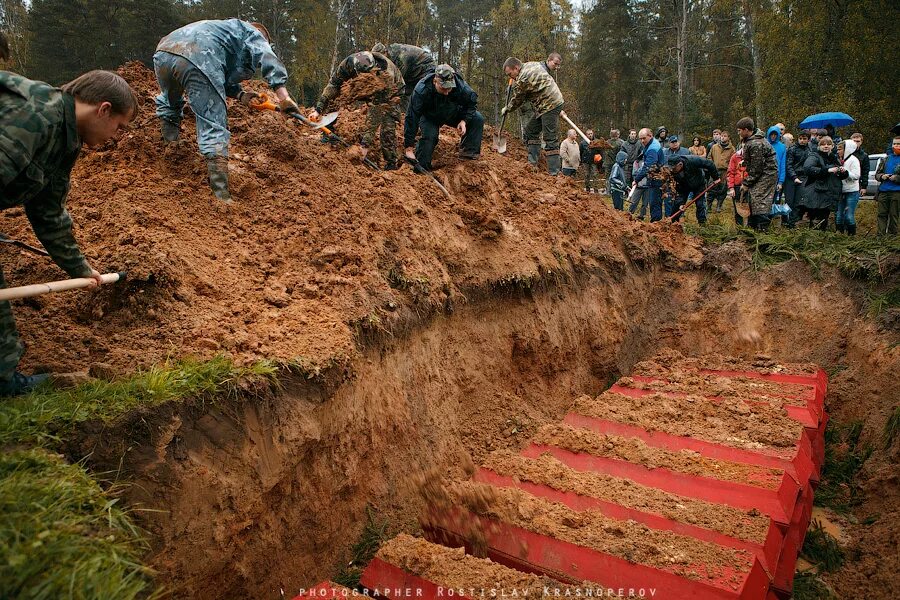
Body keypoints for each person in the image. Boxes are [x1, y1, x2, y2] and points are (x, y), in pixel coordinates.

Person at [1, 70, 137, 396]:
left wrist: (78, 268)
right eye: (119, 125)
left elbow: (47, 210)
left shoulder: (65, 138)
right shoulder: (37, 118)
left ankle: (4, 380)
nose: (117, 136)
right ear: (103, 109)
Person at [154, 19, 300, 202]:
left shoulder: (224, 32)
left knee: (170, 103)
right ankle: (221, 196)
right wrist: (283, 97)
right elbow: (266, 56)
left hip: (164, 53)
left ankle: (171, 154)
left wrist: (241, 95)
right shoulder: (251, 32)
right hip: (198, 54)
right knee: (213, 122)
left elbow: (218, 76)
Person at [311, 50, 404, 170]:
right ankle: (329, 135)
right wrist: (318, 109)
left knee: (387, 123)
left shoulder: (386, 74)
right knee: (336, 97)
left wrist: (364, 145)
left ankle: (391, 163)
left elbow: (376, 111)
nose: (367, 77)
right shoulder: (347, 65)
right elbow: (333, 85)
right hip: (360, 85)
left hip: (392, 92)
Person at [403, 64, 482, 172]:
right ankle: (421, 169)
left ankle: (468, 156)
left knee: (477, 118)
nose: (446, 92)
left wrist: (464, 121)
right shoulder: (421, 90)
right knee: (429, 137)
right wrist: (408, 148)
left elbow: (472, 103)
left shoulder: (460, 86)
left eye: (449, 88)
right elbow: (412, 117)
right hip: (430, 117)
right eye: (443, 88)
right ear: (435, 81)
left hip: (452, 112)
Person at [500, 57, 565, 175]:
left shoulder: (523, 77)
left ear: (516, 68)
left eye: (510, 74)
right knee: (530, 131)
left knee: (550, 138)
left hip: (550, 105)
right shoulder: (531, 64)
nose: (511, 77)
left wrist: (507, 109)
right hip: (544, 105)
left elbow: (518, 99)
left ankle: (554, 173)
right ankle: (532, 165)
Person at [737, 117, 778, 231]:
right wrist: (745, 161)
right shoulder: (753, 140)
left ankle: (762, 231)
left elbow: (757, 168)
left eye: (739, 130)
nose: (738, 133)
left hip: (766, 175)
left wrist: (746, 183)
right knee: (753, 200)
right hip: (762, 173)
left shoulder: (756, 143)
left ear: (746, 130)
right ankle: (752, 228)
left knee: (760, 202)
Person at [800, 135, 847, 230]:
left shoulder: (834, 157)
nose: (826, 146)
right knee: (815, 217)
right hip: (817, 191)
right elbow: (808, 168)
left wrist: (843, 172)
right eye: (823, 144)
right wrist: (827, 170)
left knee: (825, 218)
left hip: (830, 192)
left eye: (828, 144)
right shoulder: (814, 155)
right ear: (819, 146)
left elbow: (840, 174)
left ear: (832, 146)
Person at [371, 42, 436, 108]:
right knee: (406, 96)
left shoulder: (401, 57)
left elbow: (398, 82)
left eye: (380, 58)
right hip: (412, 72)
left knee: (420, 93)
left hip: (426, 68)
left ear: (385, 52)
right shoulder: (390, 55)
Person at [667, 154, 719, 224]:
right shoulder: (672, 172)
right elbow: (678, 188)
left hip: (699, 184)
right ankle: (674, 224)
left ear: (680, 164)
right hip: (683, 187)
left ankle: (702, 224)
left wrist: (716, 178)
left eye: (674, 168)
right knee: (677, 204)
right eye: (671, 168)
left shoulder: (693, 160)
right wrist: (681, 203)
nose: (672, 170)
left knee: (700, 204)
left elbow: (709, 163)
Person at [631, 127, 666, 222]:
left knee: (654, 202)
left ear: (650, 136)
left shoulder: (652, 149)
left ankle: (656, 223)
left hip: (657, 178)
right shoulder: (651, 143)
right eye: (640, 138)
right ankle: (656, 221)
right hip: (654, 176)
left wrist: (636, 179)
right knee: (654, 202)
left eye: (644, 138)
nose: (642, 141)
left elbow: (647, 166)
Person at [784, 130, 812, 228]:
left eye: (804, 139)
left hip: (804, 178)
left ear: (808, 139)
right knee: (789, 202)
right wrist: (794, 176)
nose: (802, 141)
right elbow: (789, 164)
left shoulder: (811, 150)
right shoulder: (792, 149)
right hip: (791, 178)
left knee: (799, 202)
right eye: (800, 138)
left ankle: (793, 223)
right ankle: (787, 223)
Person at [874, 135, 900, 235]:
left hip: (896, 192)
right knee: (881, 214)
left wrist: (896, 178)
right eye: (894, 144)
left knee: (894, 215)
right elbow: (877, 174)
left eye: (898, 144)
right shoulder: (886, 159)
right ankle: (880, 236)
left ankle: (891, 236)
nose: (896, 146)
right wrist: (882, 176)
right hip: (883, 191)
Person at [835, 140, 861, 234]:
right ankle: (839, 235)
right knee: (838, 216)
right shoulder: (838, 160)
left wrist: (846, 173)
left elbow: (857, 175)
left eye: (840, 149)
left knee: (849, 216)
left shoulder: (853, 160)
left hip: (852, 191)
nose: (838, 151)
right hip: (841, 191)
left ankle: (851, 236)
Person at [708, 130, 735, 213]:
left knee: (723, 189)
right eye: (722, 136)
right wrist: (711, 166)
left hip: (725, 172)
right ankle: (708, 205)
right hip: (714, 171)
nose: (723, 137)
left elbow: (733, 161)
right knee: (711, 188)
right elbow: (709, 157)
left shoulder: (732, 149)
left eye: (725, 136)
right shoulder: (714, 147)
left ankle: (719, 205)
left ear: (728, 138)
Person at [727, 147, 748, 226]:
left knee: (749, 209)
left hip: (749, 186)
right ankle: (739, 229)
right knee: (737, 209)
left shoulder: (753, 156)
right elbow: (730, 173)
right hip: (737, 186)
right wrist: (731, 188)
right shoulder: (735, 157)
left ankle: (749, 228)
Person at [766, 126, 787, 203]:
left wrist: (781, 181)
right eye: (772, 134)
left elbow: (782, 164)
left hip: (776, 177)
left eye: (775, 134)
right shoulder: (765, 144)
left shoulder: (782, 147)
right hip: (765, 177)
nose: (773, 136)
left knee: (774, 199)